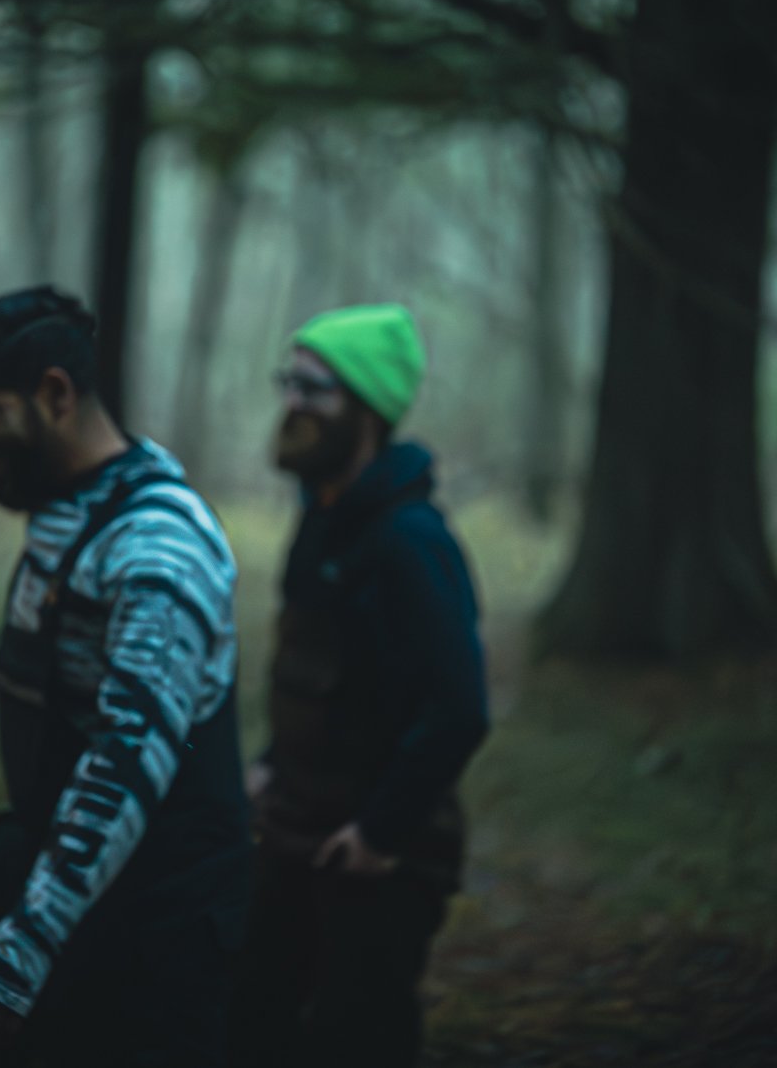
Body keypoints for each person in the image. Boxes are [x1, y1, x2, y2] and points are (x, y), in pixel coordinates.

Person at [0, 286, 251, 1067]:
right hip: (52, 872)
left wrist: (23, 949)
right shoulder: (70, 509)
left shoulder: (160, 547)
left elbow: (126, 757)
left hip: (159, 922)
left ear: (54, 395)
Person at [230, 303, 490, 1068]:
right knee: (251, 1019)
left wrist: (381, 833)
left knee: (356, 1037)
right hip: (295, 827)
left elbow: (460, 709)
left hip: (377, 856)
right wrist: (271, 762)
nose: (292, 402)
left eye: (315, 389)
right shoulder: (321, 520)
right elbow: (314, 675)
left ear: (368, 410)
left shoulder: (412, 541)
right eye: (288, 382)